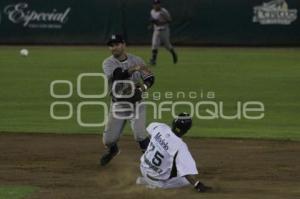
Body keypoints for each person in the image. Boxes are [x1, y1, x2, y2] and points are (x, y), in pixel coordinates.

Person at [100, 34, 155, 166]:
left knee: (140, 135)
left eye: (117, 44)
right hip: (118, 106)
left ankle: (153, 164)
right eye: (111, 45)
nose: (114, 48)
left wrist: (142, 89)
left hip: (137, 104)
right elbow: (119, 75)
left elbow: (150, 78)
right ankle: (113, 150)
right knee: (108, 141)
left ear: (123, 44)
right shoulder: (108, 63)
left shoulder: (137, 60)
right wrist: (133, 69)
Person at [137, 113, 211, 192]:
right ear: (186, 130)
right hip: (157, 180)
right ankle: (153, 186)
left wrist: (158, 143)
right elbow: (186, 172)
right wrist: (197, 185)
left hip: (143, 168)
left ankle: (143, 180)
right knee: (185, 178)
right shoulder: (180, 146)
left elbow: (148, 128)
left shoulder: (160, 127)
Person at [149, 0, 178, 66]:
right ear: (153, 5)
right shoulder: (152, 11)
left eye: (157, 3)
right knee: (154, 44)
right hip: (156, 30)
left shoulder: (164, 11)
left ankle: (173, 53)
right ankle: (153, 60)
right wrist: (151, 24)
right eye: (155, 4)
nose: (156, 5)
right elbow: (152, 19)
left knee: (167, 45)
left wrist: (160, 22)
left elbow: (170, 20)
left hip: (164, 30)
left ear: (160, 4)